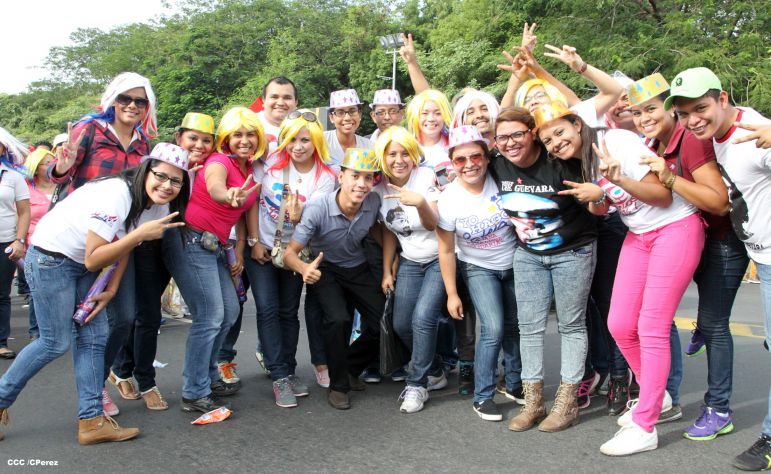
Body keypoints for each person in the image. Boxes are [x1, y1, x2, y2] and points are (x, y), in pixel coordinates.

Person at [533, 102, 704, 455]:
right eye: (548, 140)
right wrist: (598, 197)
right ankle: (660, 396)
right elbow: (604, 207)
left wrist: (617, 181)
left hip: (674, 229)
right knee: (620, 324)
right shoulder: (578, 163)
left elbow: (663, 195)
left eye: (560, 132)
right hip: (639, 235)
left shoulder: (618, 142)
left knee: (651, 325)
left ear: (577, 125)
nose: (555, 143)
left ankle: (646, 424)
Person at [0, 143, 189, 444]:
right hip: (51, 259)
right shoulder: (116, 194)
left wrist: (111, 288)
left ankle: (91, 421)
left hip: (81, 263)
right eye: (161, 176)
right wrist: (140, 235)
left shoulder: (157, 203)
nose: (167, 185)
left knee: (94, 337)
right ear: (145, 170)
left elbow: (125, 241)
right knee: (54, 342)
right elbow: (95, 257)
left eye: (176, 180)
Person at [626, 73, 742, 438]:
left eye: (652, 109)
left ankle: (718, 408)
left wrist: (671, 178)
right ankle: (666, 388)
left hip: (724, 240)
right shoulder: (654, 143)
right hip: (692, 237)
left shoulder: (689, 141)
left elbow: (719, 204)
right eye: (637, 112)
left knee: (715, 324)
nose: (644, 117)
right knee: (657, 320)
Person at [666, 67, 771, 471]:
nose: (694, 119)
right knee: (714, 323)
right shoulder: (711, 138)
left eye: (702, 108)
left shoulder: (753, 132)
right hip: (752, 249)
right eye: (685, 112)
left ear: (722, 98)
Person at [47, 72, 157, 415]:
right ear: (113, 100)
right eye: (125, 98)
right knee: (81, 327)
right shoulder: (90, 130)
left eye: (140, 101)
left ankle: (101, 378)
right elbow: (62, 172)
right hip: (82, 240)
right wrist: (60, 167)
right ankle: (92, 395)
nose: (132, 106)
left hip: (120, 241)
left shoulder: (143, 144)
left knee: (124, 317)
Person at [490, 107, 597, 432]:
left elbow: (597, 208)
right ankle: (534, 402)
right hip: (527, 256)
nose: (510, 143)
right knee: (529, 328)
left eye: (517, 134)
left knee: (571, 325)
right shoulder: (496, 164)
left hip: (573, 251)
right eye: (503, 137)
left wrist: (601, 194)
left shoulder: (562, 163)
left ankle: (567, 404)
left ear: (532, 133)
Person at [110, 113, 216, 412]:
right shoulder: (156, 165)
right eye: (192, 138)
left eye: (206, 140)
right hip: (132, 246)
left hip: (165, 246)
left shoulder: (210, 169)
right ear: (178, 137)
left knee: (147, 315)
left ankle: (136, 374)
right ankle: (128, 372)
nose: (198, 145)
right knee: (130, 315)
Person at [164, 107, 264, 414]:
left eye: (250, 134)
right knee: (209, 317)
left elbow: (246, 214)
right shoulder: (219, 161)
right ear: (226, 139)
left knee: (230, 312)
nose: (244, 140)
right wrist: (226, 195)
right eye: (237, 135)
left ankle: (206, 378)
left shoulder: (249, 171)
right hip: (191, 240)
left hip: (217, 247)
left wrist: (243, 252)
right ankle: (194, 391)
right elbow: (215, 185)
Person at [246, 109, 336, 407]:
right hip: (262, 250)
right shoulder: (269, 165)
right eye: (294, 139)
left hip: (294, 253)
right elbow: (251, 203)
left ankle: (288, 368)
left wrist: (299, 219)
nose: (299, 146)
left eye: (306, 140)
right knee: (268, 309)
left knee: (288, 311)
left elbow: (315, 221)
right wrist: (253, 240)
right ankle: (279, 375)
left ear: (317, 142)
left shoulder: (325, 177)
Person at [283, 148, 384, 410]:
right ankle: (339, 386)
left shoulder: (373, 202)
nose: (361, 184)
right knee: (338, 319)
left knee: (384, 323)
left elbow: (376, 228)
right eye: (355, 176)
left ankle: (350, 366)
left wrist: (388, 266)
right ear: (341, 177)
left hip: (358, 268)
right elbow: (289, 254)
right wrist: (304, 269)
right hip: (325, 269)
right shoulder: (317, 208)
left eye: (368, 178)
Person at [436, 125, 519, 422]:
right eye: (460, 160)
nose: (469, 164)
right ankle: (482, 396)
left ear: (487, 157)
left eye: (476, 156)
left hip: (514, 262)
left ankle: (514, 382)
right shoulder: (448, 200)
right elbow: (446, 250)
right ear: (452, 163)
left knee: (514, 326)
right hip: (477, 267)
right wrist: (452, 293)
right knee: (493, 328)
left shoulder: (501, 178)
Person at [373, 126, 445, 413]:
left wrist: (421, 203)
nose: (399, 160)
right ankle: (435, 369)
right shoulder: (379, 189)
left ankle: (417, 385)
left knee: (423, 318)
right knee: (401, 323)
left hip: (440, 258)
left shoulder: (425, 177)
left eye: (405, 153)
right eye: (392, 154)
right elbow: (390, 231)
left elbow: (434, 224)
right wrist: (388, 270)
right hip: (410, 262)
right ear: (383, 157)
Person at [0, 127, 30, 360]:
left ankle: (1, 341)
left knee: (1, 294)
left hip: (6, 241)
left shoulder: (13, 177)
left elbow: (24, 212)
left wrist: (19, 240)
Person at [21, 148, 57, 341]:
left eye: (54, 161)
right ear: (36, 168)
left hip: (60, 244)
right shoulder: (26, 190)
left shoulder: (63, 188)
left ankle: (57, 328)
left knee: (58, 289)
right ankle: (37, 330)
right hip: (34, 245)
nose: (52, 164)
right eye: (47, 162)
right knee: (38, 290)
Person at [323, 89, 373, 168]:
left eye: (352, 111)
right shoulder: (321, 141)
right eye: (340, 112)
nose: (347, 118)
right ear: (331, 117)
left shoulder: (369, 147)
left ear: (360, 114)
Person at [258, 76, 299, 154]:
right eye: (274, 97)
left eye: (287, 98)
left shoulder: (305, 129)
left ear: (296, 102)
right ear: (263, 100)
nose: (280, 103)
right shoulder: (248, 124)